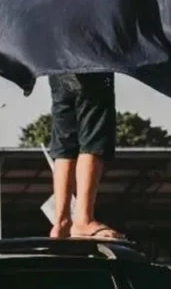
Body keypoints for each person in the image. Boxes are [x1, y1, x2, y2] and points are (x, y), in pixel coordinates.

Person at [47, 73, 124, 239]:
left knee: (66, 140)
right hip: (90, 62)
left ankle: (61, 221)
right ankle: (83, 219)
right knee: (93, 136)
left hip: (58, 64)